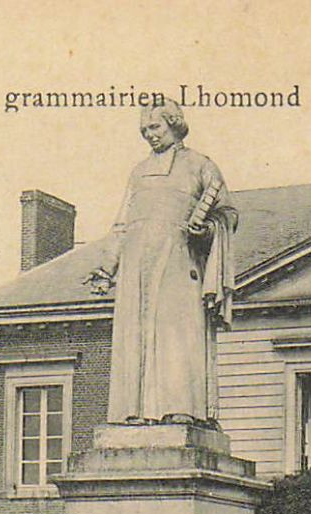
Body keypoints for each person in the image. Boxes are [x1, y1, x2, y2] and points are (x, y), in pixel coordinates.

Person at [91, 100, 237, 424]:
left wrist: (207, 229)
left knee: (177, 335)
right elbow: (121, 223)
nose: (149, 136)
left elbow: (227, 214)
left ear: (173, 123)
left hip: (179, 260)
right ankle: (134, 412)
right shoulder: (138, 172)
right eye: (144, 130)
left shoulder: (201, 165)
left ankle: (181, 409)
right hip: (135, 265)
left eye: (155, 127)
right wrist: (107, 267)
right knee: (135, 335)